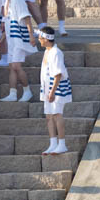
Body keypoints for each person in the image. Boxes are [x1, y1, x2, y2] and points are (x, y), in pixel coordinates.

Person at [0, 0, 36, 103]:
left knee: (16, 66)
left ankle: (27, 91)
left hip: (19, 38)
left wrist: (31, 35)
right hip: (11, 39)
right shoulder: (6, 2)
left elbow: (27, 18)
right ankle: (12, 93)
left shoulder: (18, 0)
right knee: (11, 67)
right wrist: (2, 38)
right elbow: (8, 23)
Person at [38, 27, 72, 155]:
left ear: (46, 39)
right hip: (47, 88)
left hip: (56, 88)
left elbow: (58, 74)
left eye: (41, 38)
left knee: (57, 115)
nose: (39, 40)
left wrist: (52, 92)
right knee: (49, 116)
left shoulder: (56, 52)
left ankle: (62, 144)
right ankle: (53, 143)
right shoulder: (47, 51)